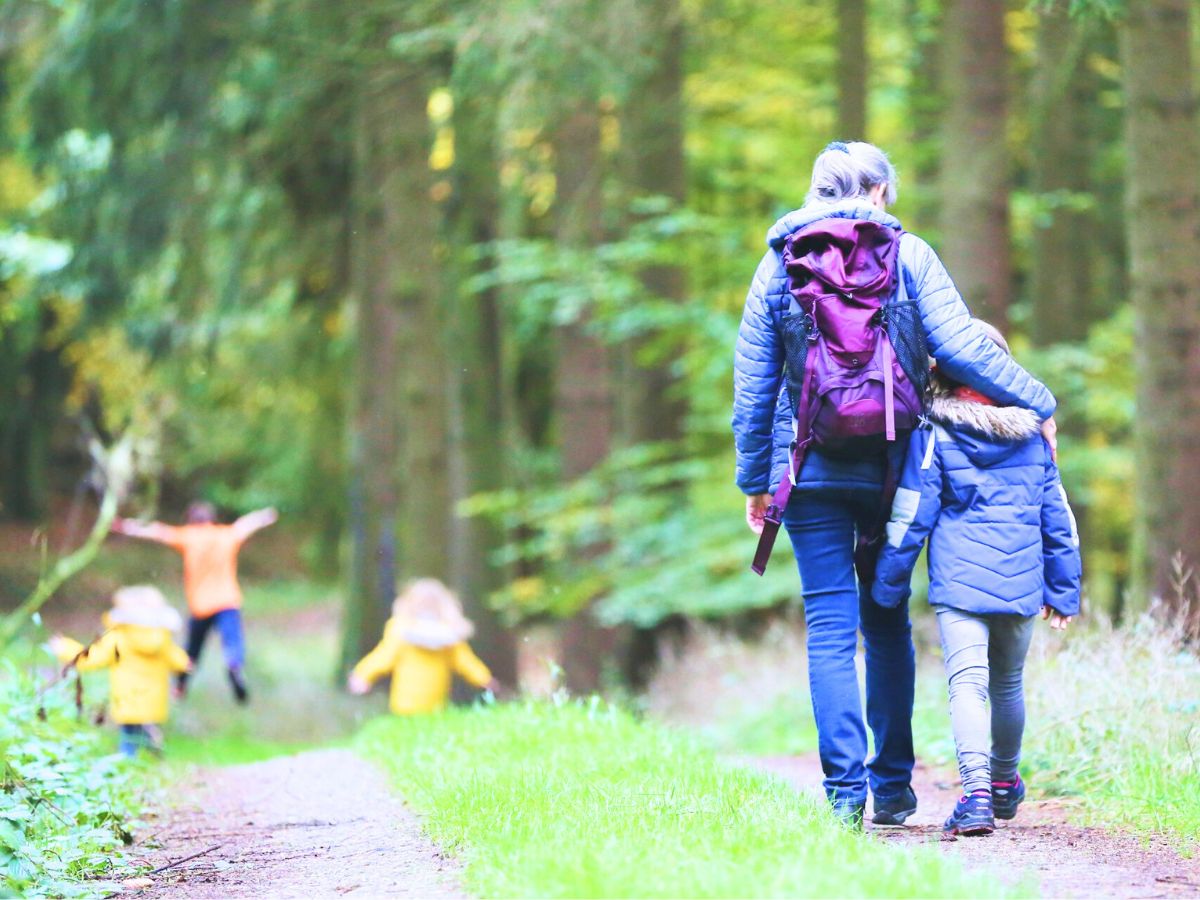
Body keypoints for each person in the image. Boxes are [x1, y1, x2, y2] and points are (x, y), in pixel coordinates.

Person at [732, 141, 1059, 827]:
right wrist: (1039, 402)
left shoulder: (777, 264)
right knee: (885, 621)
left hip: (810, 467)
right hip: (896, 468)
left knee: (829, 626)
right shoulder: (910, 256)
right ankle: (894, 789)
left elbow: (754, 386)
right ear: (878, 190)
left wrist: (756, 481)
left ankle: (844, 798)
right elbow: (965, 346)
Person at [871, 321, 1081, 835]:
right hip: (1022, 578)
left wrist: (888, 584)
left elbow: (912, 512)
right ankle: (1006, 784)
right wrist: (1064, 589)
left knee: (968, 685)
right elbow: (1058, 517)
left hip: (961, 584)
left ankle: (978, 795)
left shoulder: (935, 432)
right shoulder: (1034, 434)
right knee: (1008, 684)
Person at [111, 501, 278, 703]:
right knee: (233, 640)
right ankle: (234, 667)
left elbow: (157, 531)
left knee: (192, 649)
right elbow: (245, 524)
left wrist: (126, 526)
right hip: (227, 601)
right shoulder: (225, 535)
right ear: (212, 519)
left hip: (201, 606)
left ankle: (181, 686)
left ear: (191, 520)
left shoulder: (188, 536)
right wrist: (265, 515)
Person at [50, 586, 192, 757]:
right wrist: (186, 664)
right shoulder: (162, 639)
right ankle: (152, 752)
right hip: (153, 701)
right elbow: (179, 660)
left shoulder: (118, 637)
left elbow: (91, 657)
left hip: (128, 700)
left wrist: (65, 648)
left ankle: (130, 761)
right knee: (145, 733)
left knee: (128, 739)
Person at [347, 578, 500, 714]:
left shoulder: (448, 635)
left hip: (429, 703)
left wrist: (483, 678)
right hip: (407, 703)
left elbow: (465, 661)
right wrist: (363, 675)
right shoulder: (404, 631)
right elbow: (383, 657)